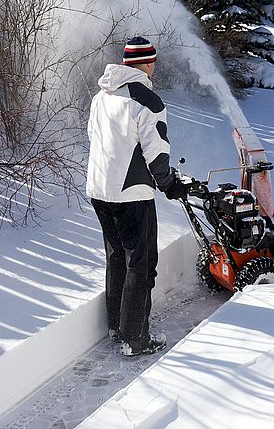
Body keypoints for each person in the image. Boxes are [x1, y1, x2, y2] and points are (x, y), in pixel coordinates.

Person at [86, 36, 186, 356]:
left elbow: (95, 137)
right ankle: (135, 338)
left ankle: (117, 326)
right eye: (152, 61)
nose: (154, 66)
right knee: (140, 264)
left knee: (117, 258)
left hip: (100, 191)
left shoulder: (101, 95)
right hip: (131, 193)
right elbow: (156, 152)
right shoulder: (148, 100)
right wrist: (169, 183)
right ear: (145, 63)